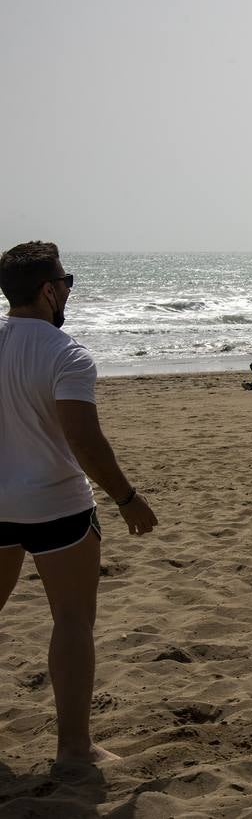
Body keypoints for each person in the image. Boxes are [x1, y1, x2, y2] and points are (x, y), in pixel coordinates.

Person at [1, 241, 158, 765]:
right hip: (57, 507)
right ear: (48, 290)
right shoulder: (65, 353)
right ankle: (74, 747)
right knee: (71, 619)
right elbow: (84, 441)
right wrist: (127, 497)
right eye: (66, 282)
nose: (68, 290)